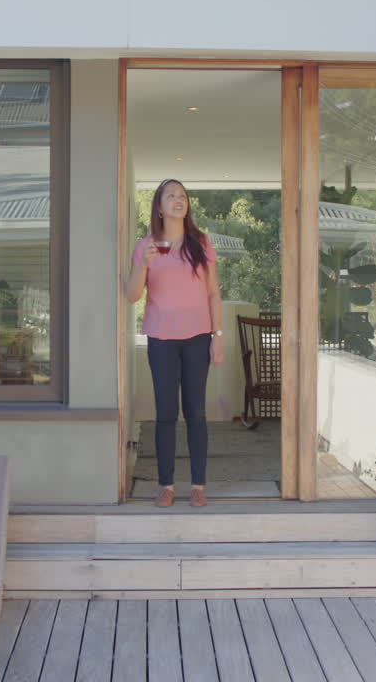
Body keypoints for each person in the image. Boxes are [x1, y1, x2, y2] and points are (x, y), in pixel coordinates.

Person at [127, 179, 224, 508]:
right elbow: (132, 295)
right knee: (166, 413)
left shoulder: (201, 242)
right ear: (159, 205)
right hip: (161, 339)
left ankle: (198, 485)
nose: (178, 200)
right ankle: (166, 485)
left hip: (198, 338)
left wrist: (217, 337)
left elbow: (213, 293)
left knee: (196, 412)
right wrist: (144, 265)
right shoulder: (146, 246)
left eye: (182, 196)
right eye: (171, 196)